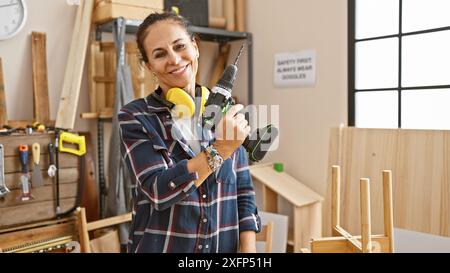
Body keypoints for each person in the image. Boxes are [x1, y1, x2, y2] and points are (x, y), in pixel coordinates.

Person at [118, 12, 261, 253]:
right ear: (149, 66)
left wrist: (248, 252)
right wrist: (221, 149)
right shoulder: (135, 117)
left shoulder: (226, 112)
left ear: (195, 47)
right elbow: (158, 190)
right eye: (160, 54)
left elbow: (244, 192)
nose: (174, 59)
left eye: (180, 46)